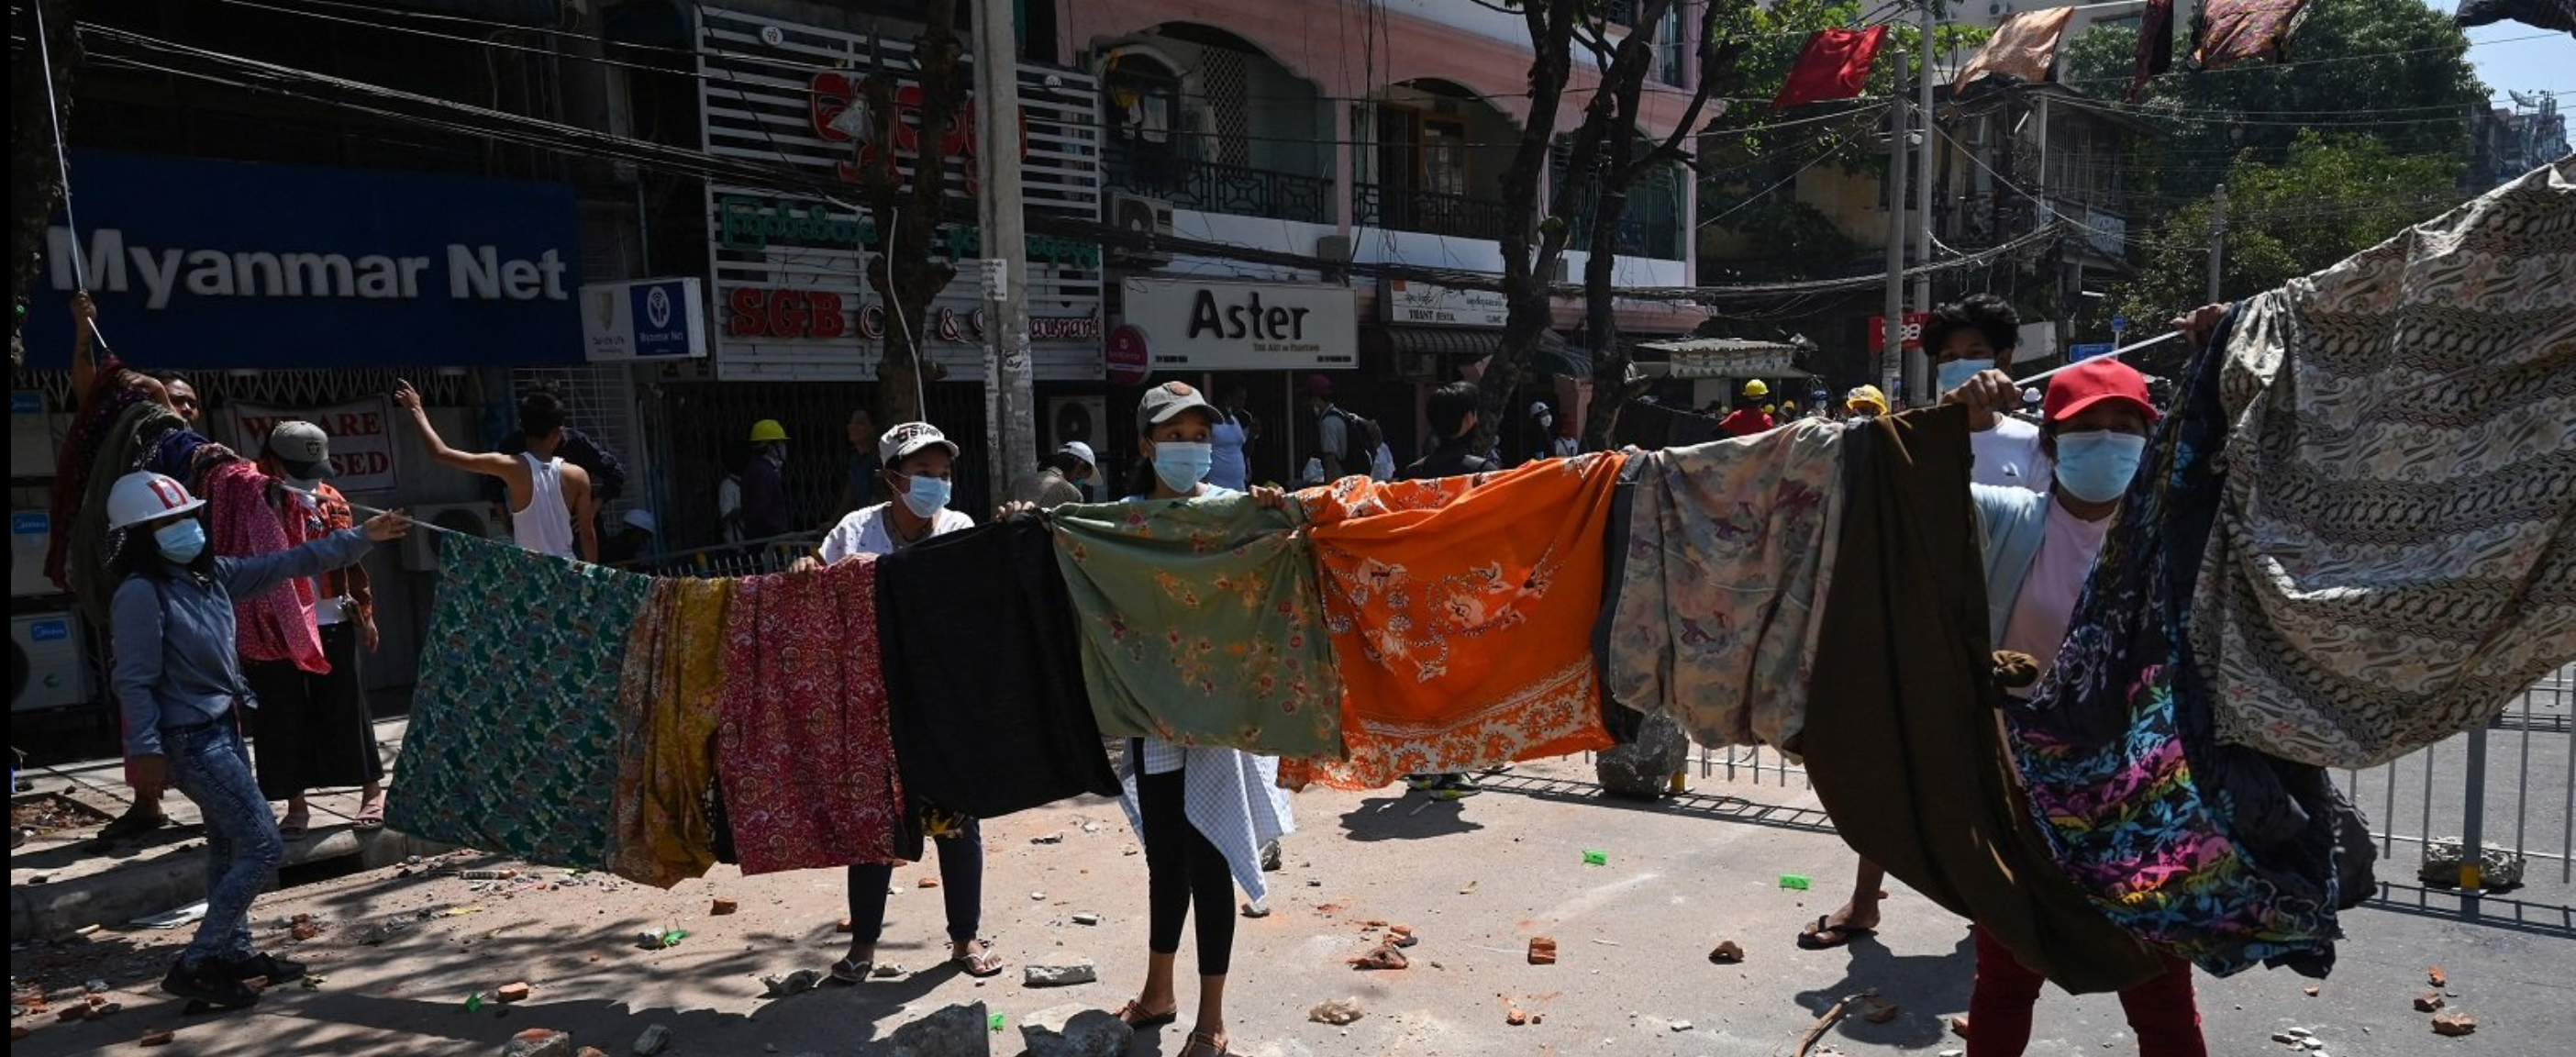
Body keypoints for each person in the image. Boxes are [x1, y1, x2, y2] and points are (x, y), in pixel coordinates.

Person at [1807, 358, 2201, 1057]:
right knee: (2006, 975)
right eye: (2087, 428)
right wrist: (1945, 421)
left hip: (2143, 801)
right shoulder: (2009, 518)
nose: (2108, 440)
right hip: (2023, 795)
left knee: (2161, 990)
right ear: (2050, 442)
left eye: (2125, 427)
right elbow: (1893, 487)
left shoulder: (2173, 537)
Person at [104, 470, 405, 1009]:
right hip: (188, 737)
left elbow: (289, 562)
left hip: (223, 726)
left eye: (188, 517)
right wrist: (144, 750)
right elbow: (134, 680)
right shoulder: (140, 594)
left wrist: (363, 536)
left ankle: (236, 952)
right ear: (142, 537)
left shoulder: (211, 575)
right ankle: (198, 962)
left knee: (227, 844)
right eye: (169, 524)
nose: (187, 529)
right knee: (263, 843)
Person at [1110, 381, 1294, 1057]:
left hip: (1218, 717)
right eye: (1174, 437)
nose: (1190, 448)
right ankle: (1159, 991)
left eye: (1199, 436)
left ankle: (1211, 1019)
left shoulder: (1230, 513)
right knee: (1166, 860)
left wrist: (1271, 513)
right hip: (1153, 715)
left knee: (1210, 858)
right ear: (1146, 446)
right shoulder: (1119, 523)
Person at [806, 422, 994, 984]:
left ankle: (965, 937)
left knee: (957, 821)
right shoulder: (855, 530)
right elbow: (816, 587)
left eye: (943, 473)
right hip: (873, 699)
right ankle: (863, 946)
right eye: (923, 472)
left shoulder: (959, 528)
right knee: (872, 823)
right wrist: (808, 571)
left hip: (941, 700)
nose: (937, 483)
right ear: (891, 478)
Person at [244, 422, 386, 838]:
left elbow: (352, 559)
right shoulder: (257, 498)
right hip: (276, 624)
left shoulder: (331, 498)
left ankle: (371, 792)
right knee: (284, 712)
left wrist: (365, 611)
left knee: (347, 706)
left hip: (332, 617)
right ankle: (296, 803)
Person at [1397, 382, 1498, 800]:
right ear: (1470, 418)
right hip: (1465, 592)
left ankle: (1421, 767)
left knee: (1423, 676)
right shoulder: (1483, 471)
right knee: (1459, 680)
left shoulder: (1412, 473)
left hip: (1419, 587)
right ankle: (1452, 772)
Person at [394, 382, 597, 562]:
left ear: (522, 427)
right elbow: (587, 534)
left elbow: (440, 453)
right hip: (567, 572)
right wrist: (595, 580)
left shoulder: (509, 466)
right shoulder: (578, 475)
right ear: (558, 432)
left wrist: (417, 410)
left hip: (530, 574)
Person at [1925, 294, 2051, 492]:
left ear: (2003, 360)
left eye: (1975, 353)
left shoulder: (2032, 443)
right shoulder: (1916, 439)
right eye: (1950, 356)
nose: (1960, 363)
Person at [738, 418, 794, 541]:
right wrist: (779, 531)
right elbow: (760, 511)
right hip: (768, 542)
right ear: (770, 447)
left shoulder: (757, 468)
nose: (784, 447)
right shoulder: (763, 472)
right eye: (781, 443)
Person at [1301, 374, 1350, 483]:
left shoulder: (1328, 423)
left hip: (1340, 482)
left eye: (1309, 400)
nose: (1308, 404)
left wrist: (1329, 487)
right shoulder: (1342, 415)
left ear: (1316, 399)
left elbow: (1330, 459)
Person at [1209, 387, 1260, 490]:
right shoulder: (1210, 422)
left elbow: (1243, 453)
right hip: (1217, 488)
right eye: (1239, 399)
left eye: (1244, 399)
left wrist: (1251, 435)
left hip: (1239, 487)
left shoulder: (1235, 420)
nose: (1242, 403)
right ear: (1227, 398)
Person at [835, 406, 879, 520]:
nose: (852, 427)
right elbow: (850, 491)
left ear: (873, 429)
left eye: (860, 423)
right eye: (851, 422)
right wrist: (835, 521)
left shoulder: (879, 458)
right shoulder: (855, 459)